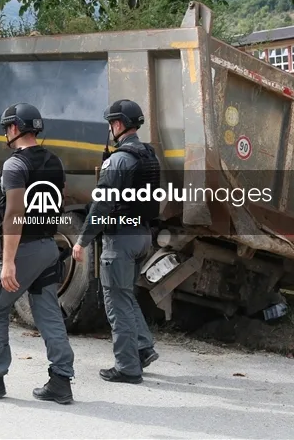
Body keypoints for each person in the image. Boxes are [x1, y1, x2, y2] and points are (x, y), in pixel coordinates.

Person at [0, 103, 76, 405]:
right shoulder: (55, 162)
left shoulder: (14, 165)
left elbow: (14, 214)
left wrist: (8, 262)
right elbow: (57, 200)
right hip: (48, 247)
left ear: (14, 128)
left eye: (5, 128)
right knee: (48, 313)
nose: (5, 134)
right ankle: (61, 380)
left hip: (22, 249)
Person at [73, 99, 161, 384]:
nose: (110, 129)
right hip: (142, 235)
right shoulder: (149, 156)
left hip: (121, 239)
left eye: (111, 123)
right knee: (125, 296)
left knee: (116, 302)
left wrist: (82, 240)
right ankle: (143, 348)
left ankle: (127, 367)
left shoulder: (119, 160)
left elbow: (101, 205)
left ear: (120, 124)